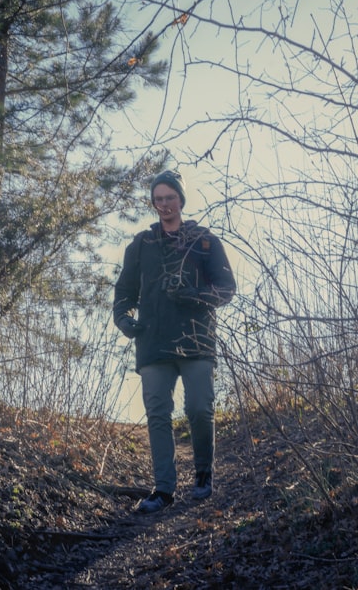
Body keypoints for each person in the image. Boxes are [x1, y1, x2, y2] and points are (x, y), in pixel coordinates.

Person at [113, 170, 237, 513]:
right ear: (153, 203)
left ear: (181, 200)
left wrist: (194, 296)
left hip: (196, 339)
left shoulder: (203, 240)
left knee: (199, 407)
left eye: (170, 197)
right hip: (152, 342)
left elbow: (227, 288)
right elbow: (124, 293)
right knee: (158, 415)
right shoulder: (141, 244)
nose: (164, 204)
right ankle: (164, 490)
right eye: (158, 198)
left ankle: (203, 476)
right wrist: (124, 320)